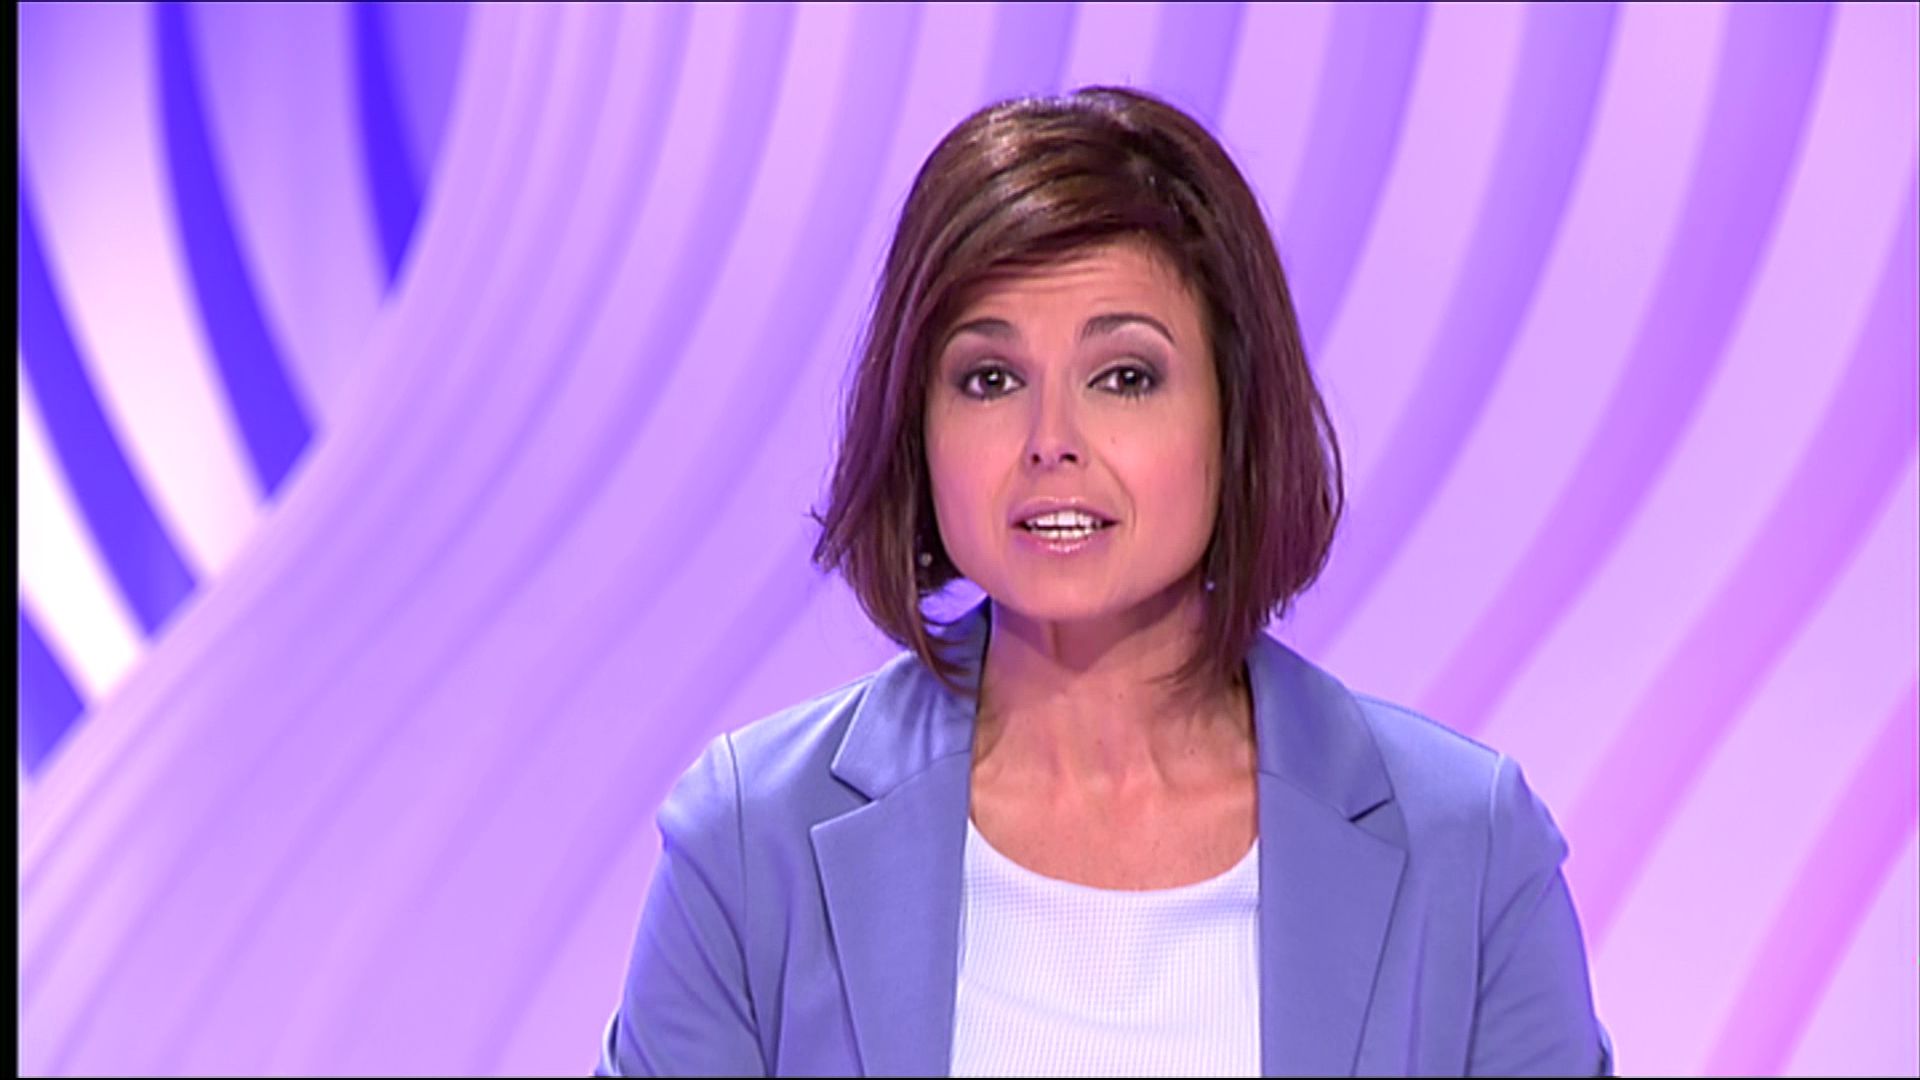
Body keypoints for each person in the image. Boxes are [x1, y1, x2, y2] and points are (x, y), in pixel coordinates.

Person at [595, 87, 1612, 1078]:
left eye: (1124, 376)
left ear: (1235, 415)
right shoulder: (752, 845)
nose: (1051, 441)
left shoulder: (1468, 851)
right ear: (917, 428)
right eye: (990, 379)